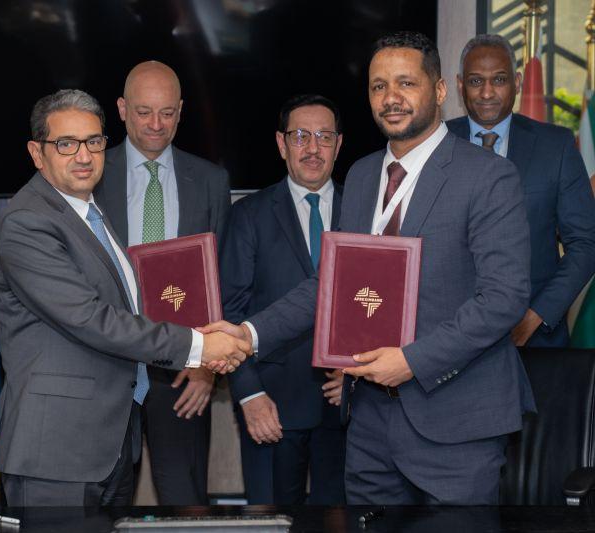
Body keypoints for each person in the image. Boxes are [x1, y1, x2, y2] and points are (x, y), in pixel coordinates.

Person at [202, 31, 535, 505]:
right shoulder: (361, 177)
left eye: (406, 83)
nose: (391, 97)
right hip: (369, 426)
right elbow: (330, 285)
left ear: (440, 89)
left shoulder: (487, 176)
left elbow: (504, 298)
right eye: (379, 86)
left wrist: (412, 361)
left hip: (456, 424)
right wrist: (247, 334)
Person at [0, 89, 249, 507]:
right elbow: (91, 319)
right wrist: (199, 346)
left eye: (93, 141)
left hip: (107, 444)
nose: (84, 156)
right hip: (58, 451)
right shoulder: (28, 222)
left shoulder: (88, 213)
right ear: (37, 153)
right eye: (66, 144)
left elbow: (129, 305)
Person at [94, 61, 231, 505]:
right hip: (105, 370)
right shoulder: (90, 173)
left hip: (184, 373)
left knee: (185, 505)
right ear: (122, 109)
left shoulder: (210, 181)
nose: (156, 124)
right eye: (144, 112)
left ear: (181, 112)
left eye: (167, 112)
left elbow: (223, 280)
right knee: (104, 505)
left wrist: (208, 366)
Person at [220, 94, 345, 505]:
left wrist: (359, 377)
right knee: (273, 522)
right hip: (271, 404)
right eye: (301, 136)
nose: (313, 148)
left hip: (349, 406)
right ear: (281, 143)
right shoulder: (248, 215)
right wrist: (248, 394)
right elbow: (230, 313)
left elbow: (380, 302)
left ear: (338, 145)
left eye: (324, 136)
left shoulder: (364, 211)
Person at [447, 34, 595, 348]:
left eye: (499, 80)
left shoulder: (556, 146)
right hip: (449, 338)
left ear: (516, 82)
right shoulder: (436, 144)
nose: (487, 92)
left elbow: (586, 243)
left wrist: (535, 317)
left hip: (535, 340)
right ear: (460, 85)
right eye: (476, 81)